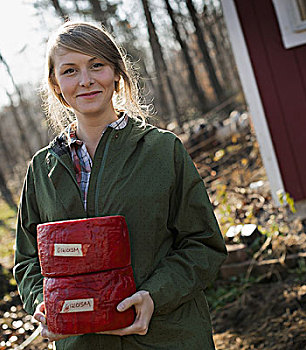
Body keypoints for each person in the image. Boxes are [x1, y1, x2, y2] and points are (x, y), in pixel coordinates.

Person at [13, 21, 227, 350]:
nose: (85, 80)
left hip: (168, 338)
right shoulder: (43, 169)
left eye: (96, 65)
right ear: (56, 84)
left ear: (116, 72)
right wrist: (48, 304)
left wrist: (154, 296)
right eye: (70, 70)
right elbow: (28, 260)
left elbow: (203, 245)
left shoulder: (163, 151)